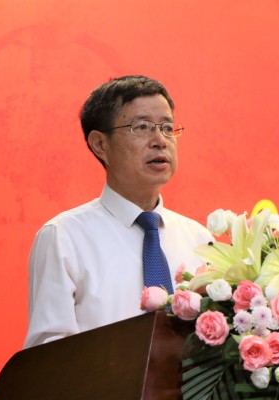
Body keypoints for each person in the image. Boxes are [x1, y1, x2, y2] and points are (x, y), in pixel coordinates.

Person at [24, 75, 212, 348]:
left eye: (167, 127)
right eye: (142, 127)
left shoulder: (199, 239)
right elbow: (46, 355)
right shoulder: (64, 238)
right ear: (100, 144)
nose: (160, 140)